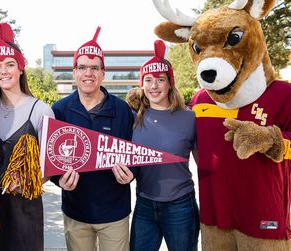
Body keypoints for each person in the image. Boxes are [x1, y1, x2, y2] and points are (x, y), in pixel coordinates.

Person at [50, 26, 135, 251]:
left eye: (95, 68)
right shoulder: (59, 110)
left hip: (114, 211)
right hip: (76, 211)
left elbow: (134, 152)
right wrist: (58, 180)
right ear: (74, 72)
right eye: (82, 67)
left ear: (103, 73)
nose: (88, 73)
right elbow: (49, 158)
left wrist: (131, 174)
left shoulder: (122, 109)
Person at [0, 22, 55, 251]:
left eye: (10, 64)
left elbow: (53, 164)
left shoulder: (41, 110)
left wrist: (29, 180)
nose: (3, 71)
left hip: (25, 212)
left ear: (21, 68)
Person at [126, 40, 199, 251]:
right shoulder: (134, 118)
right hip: (144, 204)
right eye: (148, 80)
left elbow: (207, 163)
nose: (154, 86)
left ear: (170, 83)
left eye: (160, 79)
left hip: (180, 205)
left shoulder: (189, 118)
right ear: (142, 84)